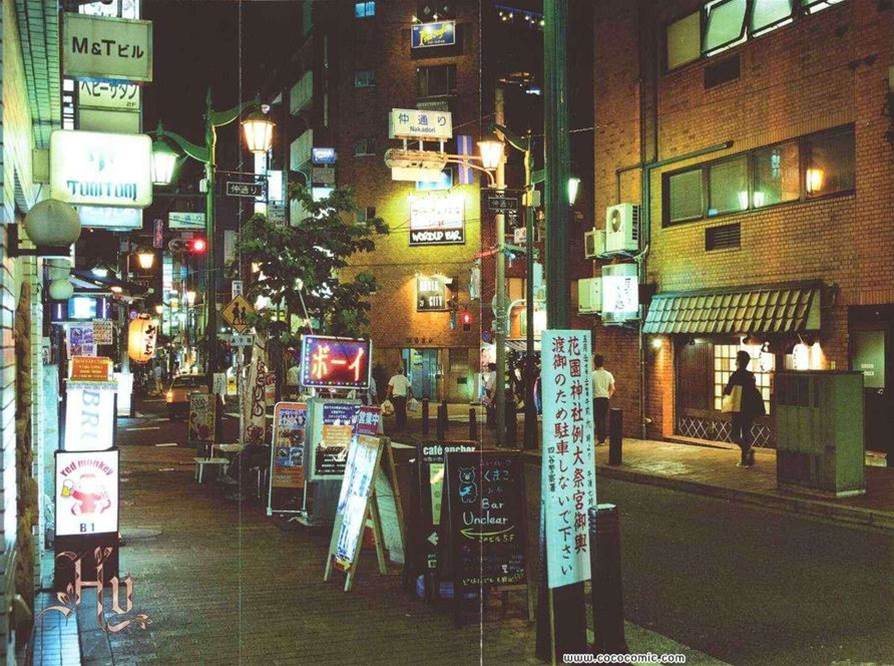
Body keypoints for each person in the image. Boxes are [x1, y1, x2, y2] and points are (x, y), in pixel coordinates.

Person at [724, 350, 766, 467]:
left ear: (739, 361)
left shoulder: (736, 375)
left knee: (734, 435)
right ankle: (745, 460)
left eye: (736, 359)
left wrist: (725, 391)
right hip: (750, 408)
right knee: (746, 432)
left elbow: (728, 390)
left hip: (739, 407)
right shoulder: (750, 375)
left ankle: (747, 450)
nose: (735, 361)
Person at [591, 354, 615, 445]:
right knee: (603, 418)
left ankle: (600, 439)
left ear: (594, 363)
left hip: (596, 399)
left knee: (597, 419)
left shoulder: (592, 375)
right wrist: (608, 396)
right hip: (605, 399)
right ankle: (602, 439)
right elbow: (613, 388)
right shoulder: (608, 374)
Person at [387, 366, 412, 431]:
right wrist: (412, 395)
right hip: (403, 397)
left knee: (397, 411)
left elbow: (389, 388)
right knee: (403, 411)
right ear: (402, 371)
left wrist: (387, 396)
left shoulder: (393, 378)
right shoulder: (405, 378)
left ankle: (398, 425)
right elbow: (409, 387)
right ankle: (403, 424)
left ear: (396, 371)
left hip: (396, 397)